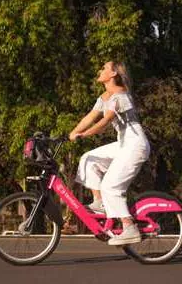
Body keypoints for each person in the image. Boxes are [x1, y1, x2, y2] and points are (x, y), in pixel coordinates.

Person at [69, 61, 150, 245]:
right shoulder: (105, 96)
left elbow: (105, 121)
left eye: (104, 68)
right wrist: (71, 133)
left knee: (110, 186)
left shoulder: (121, 95)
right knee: (88, 159)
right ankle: (100, 203)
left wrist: (84, 134)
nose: (100, 70)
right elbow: (90, 117)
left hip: (135, 145)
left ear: (113, 74)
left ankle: (129, 227)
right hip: (123, 144)